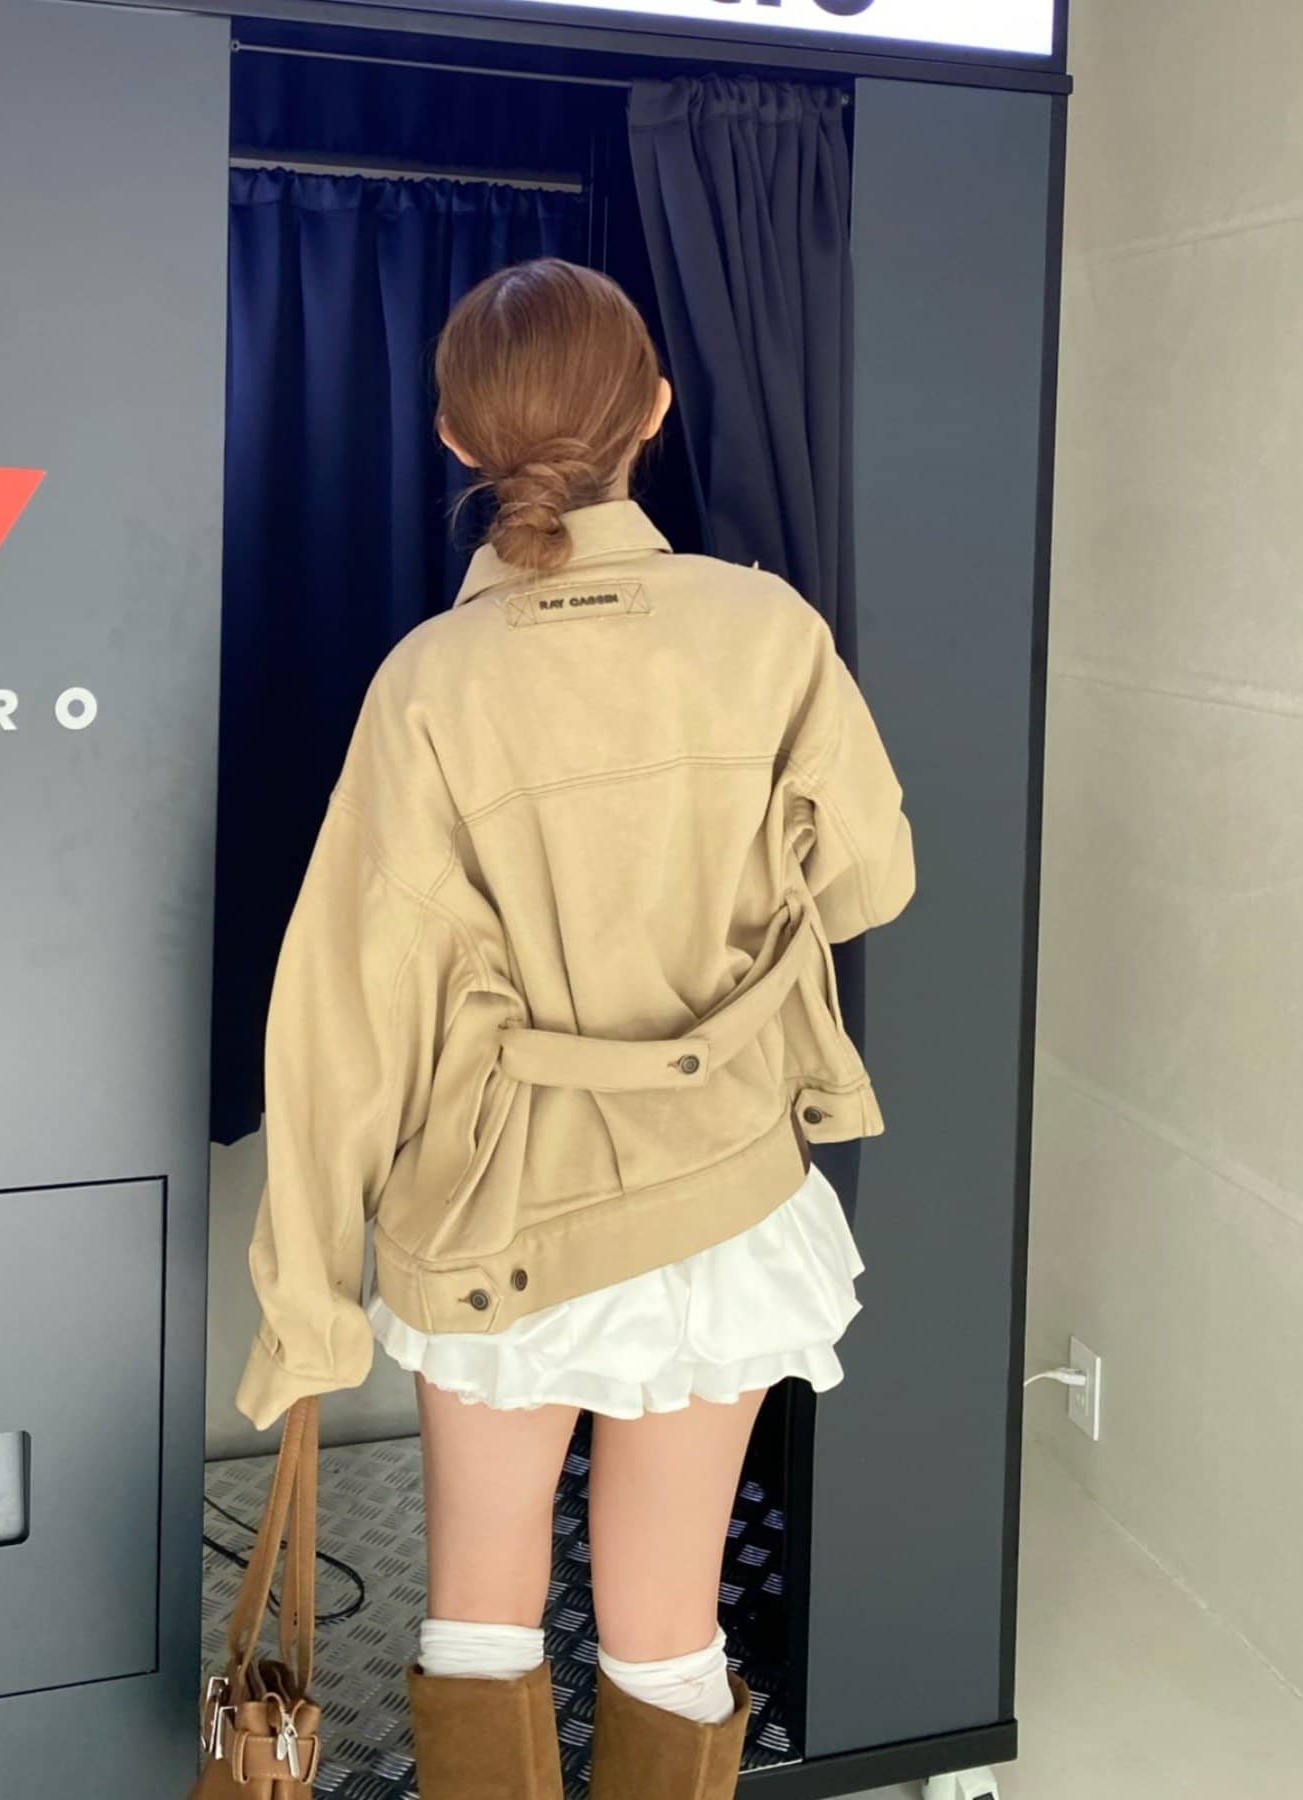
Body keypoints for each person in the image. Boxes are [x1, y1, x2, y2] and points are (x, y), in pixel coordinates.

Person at [235, 258, 915, 1800]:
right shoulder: (769, 629)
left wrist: (308, 1298)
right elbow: (870, 882)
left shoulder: (431, 682)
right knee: (671, 1629)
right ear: (655, 412)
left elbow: (347, 1011)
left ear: (454, 440)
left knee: (481, 1621)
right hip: (721, 1191)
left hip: (498, 1211)